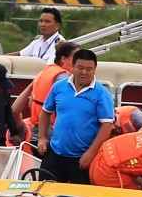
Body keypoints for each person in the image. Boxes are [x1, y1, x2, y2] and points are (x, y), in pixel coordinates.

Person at [38, 49, 114, 184]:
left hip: (82, 159)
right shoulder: (59, 86)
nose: (84, 72)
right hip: (55, 153)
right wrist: (42, 138)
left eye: (89, 69)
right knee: (43, 195)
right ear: (72, 67)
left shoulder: (102, 93)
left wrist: (91, 153)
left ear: (95, 70)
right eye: (80, 68)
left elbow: (107, 125)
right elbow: (45, 111)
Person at [12, 40, 74, 142]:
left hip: (35, 130)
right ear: (63, 59)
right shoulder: (63, 78)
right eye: (76, 58)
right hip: (51, 132)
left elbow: (30, 104)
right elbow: (66, 109)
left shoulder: (43, 72)